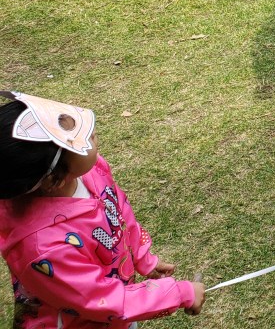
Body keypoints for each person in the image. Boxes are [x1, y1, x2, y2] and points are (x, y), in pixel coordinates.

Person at [0, 91, 205, 329]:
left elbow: (118, 212)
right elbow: (101, 299)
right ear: (53, 179)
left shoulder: (89, 172)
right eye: (78, 141)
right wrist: (177, 294)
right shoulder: (45, 248)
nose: (91, 133)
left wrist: (141, 257)